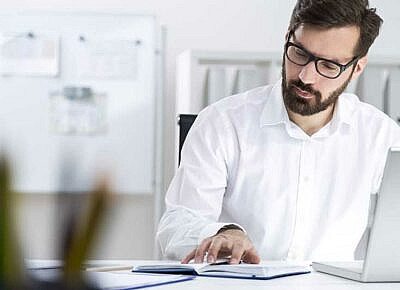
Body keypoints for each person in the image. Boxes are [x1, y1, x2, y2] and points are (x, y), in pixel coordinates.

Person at [157, 0, 400, 264]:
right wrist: (223, 233)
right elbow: (176, 226)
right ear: (287, 38)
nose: (306, 77)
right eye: (299, 53)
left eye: (329, 66)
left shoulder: (381, 136)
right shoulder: (221, 123)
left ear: (357, 69)